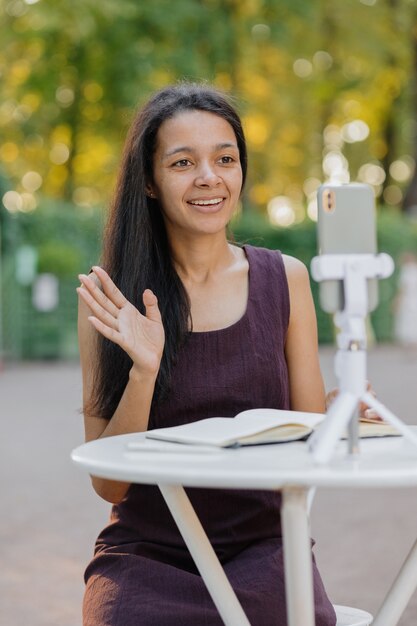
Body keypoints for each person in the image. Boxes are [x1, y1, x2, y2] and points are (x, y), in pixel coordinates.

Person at [77, 82, 337, 626]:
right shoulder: (112, 300)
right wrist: (143, 373)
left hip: (264, 550)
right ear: (149, 181)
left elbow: (309, 448)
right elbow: (109, 484)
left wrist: (337, 419)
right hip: (149, 555)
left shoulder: (285, 280)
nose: (209, 178)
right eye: (182, 162)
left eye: (225, 159)